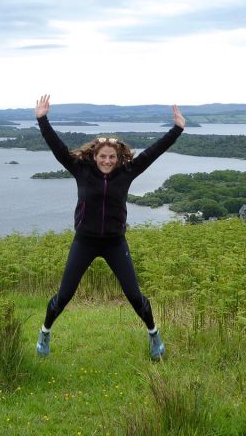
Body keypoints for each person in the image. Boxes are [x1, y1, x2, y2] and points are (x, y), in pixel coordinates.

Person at [33, 94, 185, 360]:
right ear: (95, 155)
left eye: (112, 157)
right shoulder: (81, 169)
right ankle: (45, 333)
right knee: (65, 294)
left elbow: (153, 152)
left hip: (115, 242)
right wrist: (42, 119)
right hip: (85, 241)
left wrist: (177, 129)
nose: (107, 161)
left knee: (134, 295)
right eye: (102, 156)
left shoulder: (127, 173)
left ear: (118, 157)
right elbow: (58, 148)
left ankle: (154, 337)